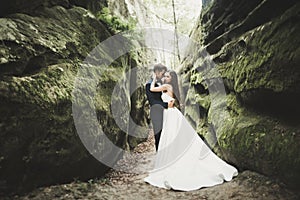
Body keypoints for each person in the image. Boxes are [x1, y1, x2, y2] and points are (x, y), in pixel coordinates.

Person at [144, 70, 238, 191]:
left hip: (170, 114)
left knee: (172, 136)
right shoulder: (168, 86)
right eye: (165, 76)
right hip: (169, 114)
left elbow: (152, 89)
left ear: (171, 79)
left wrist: (154, 79)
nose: (165, 78)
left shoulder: (167, 86)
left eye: (167, 76)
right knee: (170, 137)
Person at [145, 63, 174, 151]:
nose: (163, 75)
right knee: (159, 135)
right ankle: (159, 155)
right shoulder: (149, 84)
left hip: (165, 113)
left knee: (166, 134)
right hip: (156, 113)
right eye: (162, 73)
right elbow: (153, 102)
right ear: (156, 72)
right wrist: (166, 105)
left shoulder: (162, 83)